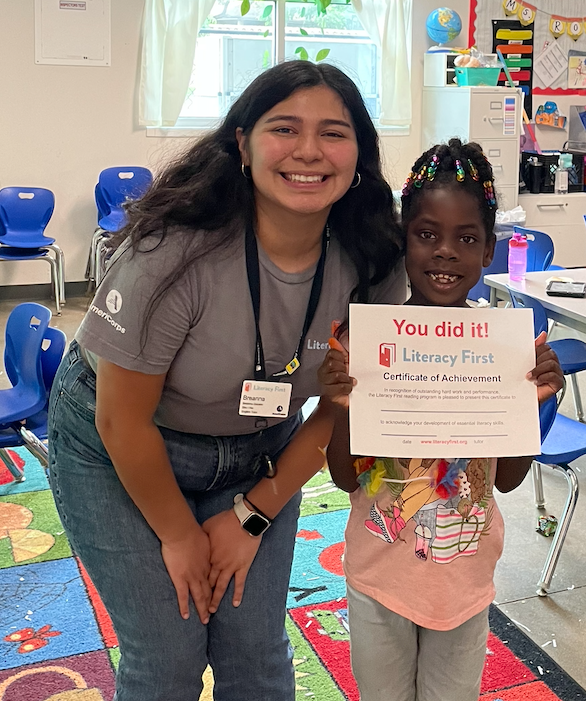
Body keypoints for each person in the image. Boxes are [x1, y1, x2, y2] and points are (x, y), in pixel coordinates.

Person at [47, 61, 406, 701]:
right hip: (119, 445)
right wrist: (181, 536)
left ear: (360, 153)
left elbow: (336, 411)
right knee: (168, 654)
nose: (308, 152)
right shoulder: (173, 252)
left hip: (259, 450)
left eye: (333, 133)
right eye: (284, 128)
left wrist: (250, 516)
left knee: (256, 651)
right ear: (241, 143)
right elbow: (119, 419)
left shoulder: (375, 258)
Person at [317, 138, 564, 701]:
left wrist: (531, 402)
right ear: (405, 243)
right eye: (427, 235)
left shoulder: (504, 351)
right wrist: (337, 403)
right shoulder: (368, 343)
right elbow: (343, 477)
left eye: (466, 239)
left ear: (488, 251)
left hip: (466, 579)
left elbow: (506, 479)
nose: (446, 252)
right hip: (381, 577)